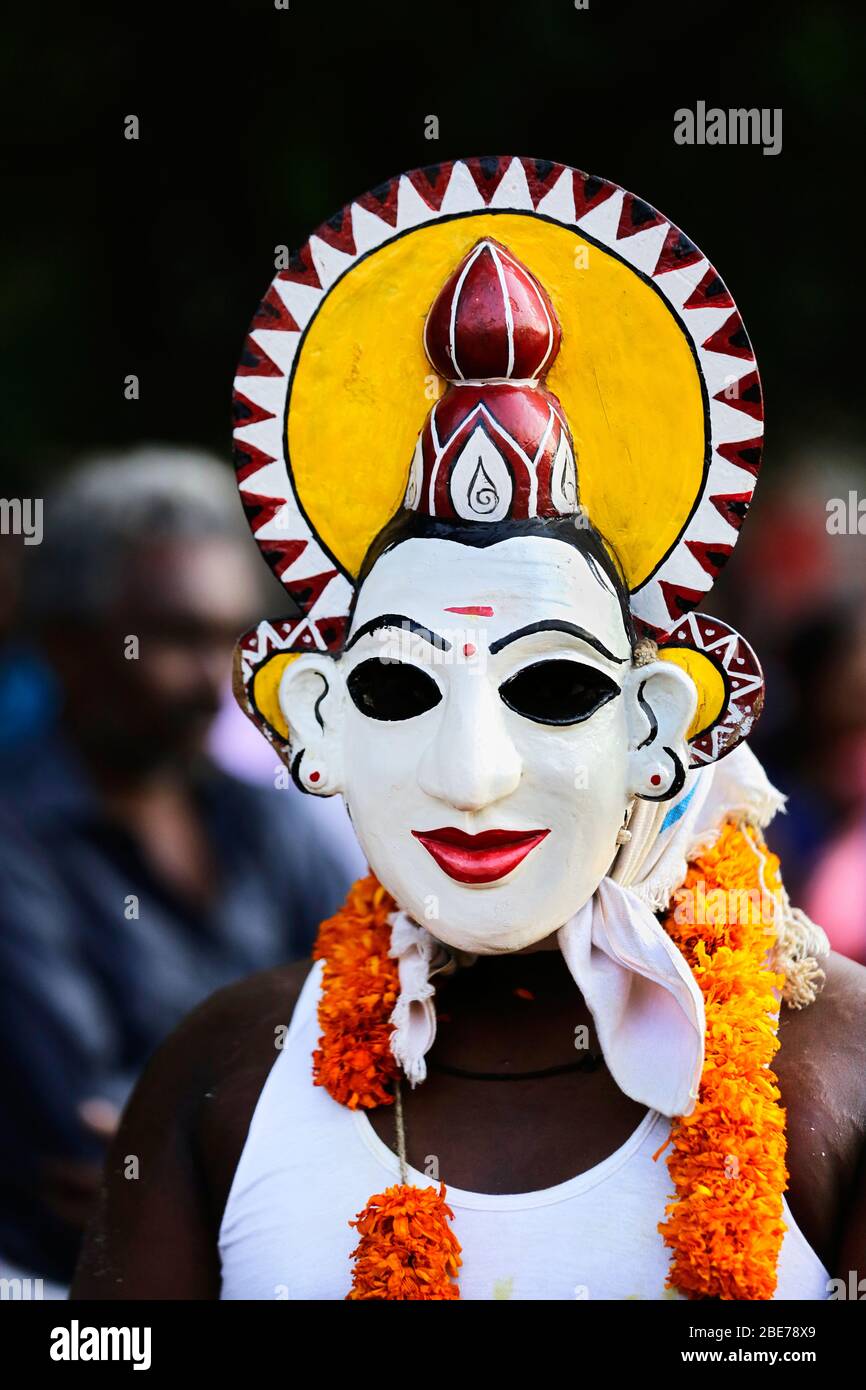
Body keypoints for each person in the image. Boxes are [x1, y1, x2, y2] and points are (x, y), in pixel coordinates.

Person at [72, 159, 866, 1301]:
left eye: (550, 688)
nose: (473, 777)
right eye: (400, 690)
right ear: (316, 719)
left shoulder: (835, 1067)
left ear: (661, 721)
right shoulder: (225, 1077)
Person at [0, 447, 355, 1285]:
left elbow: (391, 1016)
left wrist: (187, 1160)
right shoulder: (17, 844)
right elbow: (81, 1129)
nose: (216, 683)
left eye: (234, 636)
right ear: (67, 644)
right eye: (175, 638)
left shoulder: (269, 821)